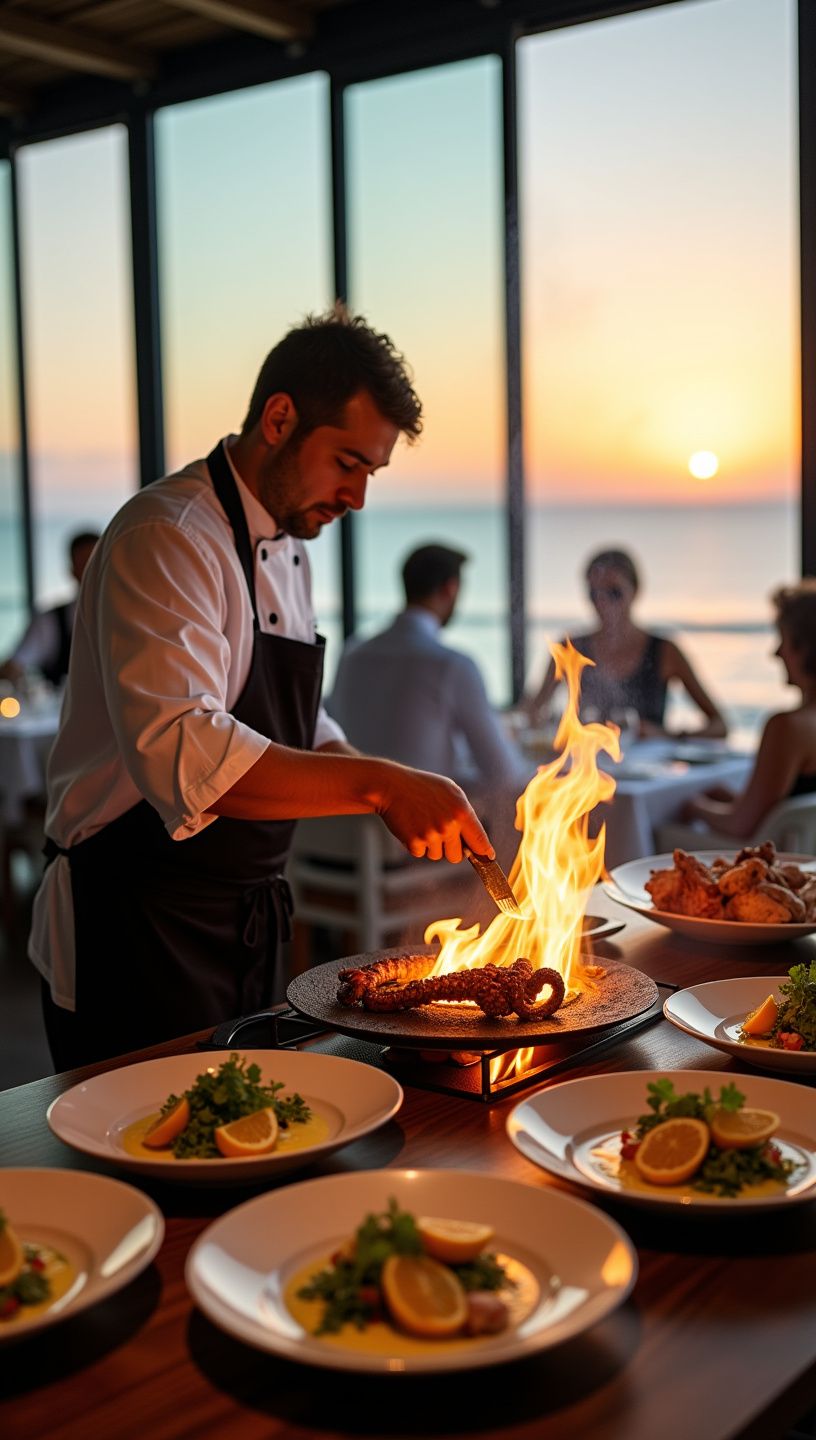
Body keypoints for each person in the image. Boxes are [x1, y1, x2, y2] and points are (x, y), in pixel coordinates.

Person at [29, 311, 493, 1071]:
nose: (357, 497)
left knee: (248, 1120)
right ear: (279, 419)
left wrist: (395, 787)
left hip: (241, 915)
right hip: (138, 920)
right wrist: (380, 785)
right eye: (347, 462)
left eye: (371, 473)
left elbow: (299, 722)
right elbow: (187, 754)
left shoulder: (287, 548)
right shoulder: (168, 536)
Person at [328, 543, 531, 802]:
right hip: (416, 820)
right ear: (450, 589)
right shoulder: (452, 666)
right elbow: (505, 774)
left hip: (345, 816)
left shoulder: (351, 655)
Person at [523, 547, 727, 738]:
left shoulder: (665, 651)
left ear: (635, 591)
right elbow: (530, 713)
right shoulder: (570, 650)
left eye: (614, 593)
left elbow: (720, 725)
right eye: (594, 594)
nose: (603, 603)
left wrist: (665, 735)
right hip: (587, 760)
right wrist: (551, 726)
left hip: (649, 763)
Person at [682, 581, 816, 838]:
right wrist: (735, 800)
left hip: (766, 859)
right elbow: (783, 805)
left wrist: (695, 807)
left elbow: (740, 826)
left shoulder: (787, 726)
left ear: (805, 649)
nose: (776, 653)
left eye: (784, 641)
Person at [0, 531, 99, 687]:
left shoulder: (128, 618)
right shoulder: (49, 621)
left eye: (97, 564)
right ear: (72, 571)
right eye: (84, 564)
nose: (92, 571)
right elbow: (14, 666)